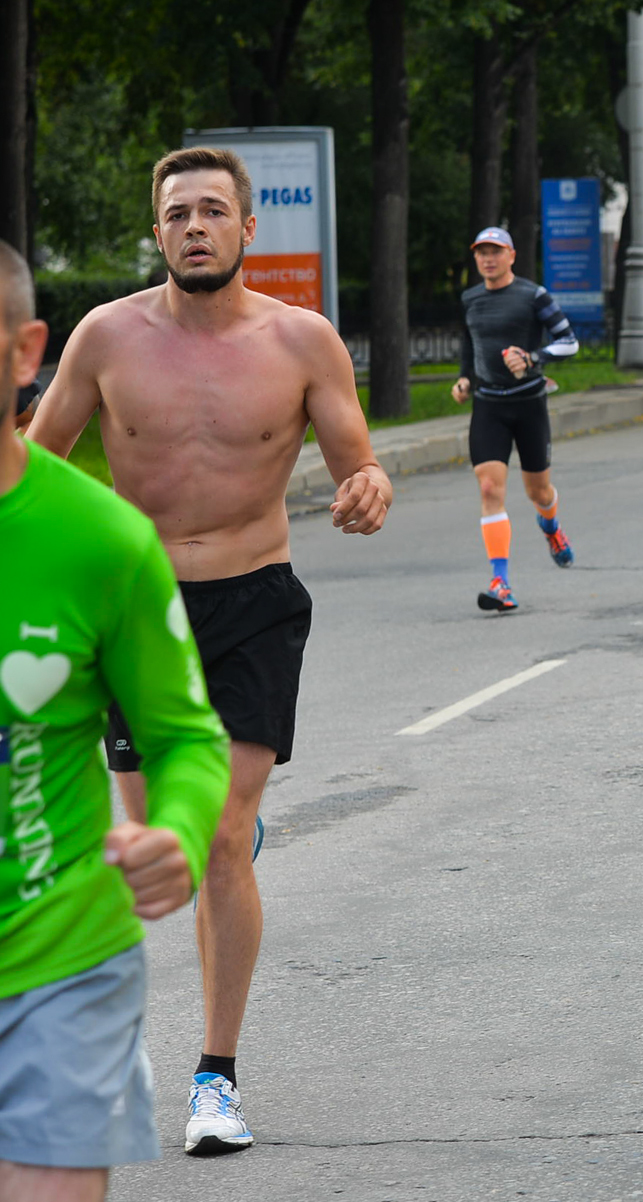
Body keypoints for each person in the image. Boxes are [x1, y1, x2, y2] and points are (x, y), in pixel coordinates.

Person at [26, 146, 392, 1154]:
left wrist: (368, 488)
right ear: (158, 231)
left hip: (253, 602)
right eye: (176, 211)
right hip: (135, 608)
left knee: (223, 835)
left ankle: (214, 1076)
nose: (194, 225)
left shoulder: (303, 341)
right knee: (163, 858)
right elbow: (36, 458)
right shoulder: (107, 336)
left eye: (212, 211)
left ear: (246, 230)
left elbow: (358, 464)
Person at [0, 240, 232, 1194]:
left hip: (58, 959)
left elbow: (184, 737)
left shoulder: (100, 540)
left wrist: (176, 830)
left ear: (25, 353)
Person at [451, 225, 580, 612]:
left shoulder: (533, 295)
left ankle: (551, 526)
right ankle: (501, 582)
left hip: (528, 404)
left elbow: (569, 341)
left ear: (511, 256)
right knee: (490, 488)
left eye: (495, 251)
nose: (487, 259)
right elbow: (469, 343)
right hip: (488, 404)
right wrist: (464, 378)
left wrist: (533, 358)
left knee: (538, 492)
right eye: (481, 252)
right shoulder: (471, 298)